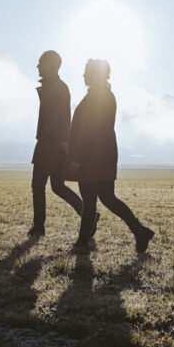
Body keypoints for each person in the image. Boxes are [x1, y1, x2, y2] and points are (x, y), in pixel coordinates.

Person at [68, 58, 155, 253]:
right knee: (105, 198)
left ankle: (83, 242)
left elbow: (90, 130)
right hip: (101, 154)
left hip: (94, 156)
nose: (84, 75)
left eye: (87, 71)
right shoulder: (102, 95)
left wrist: (77, 158)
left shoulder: (99, 97)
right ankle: (139, 231)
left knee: (93, 199)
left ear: (96, 74)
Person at [29, 50, 83, 237]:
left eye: (40, 62)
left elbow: (60, 119)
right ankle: (89, 215)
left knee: (38, 185)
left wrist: (61, 141)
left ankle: (38, 228)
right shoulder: (58, 87)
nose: (37, 66)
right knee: (57, 186)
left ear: (50, 65)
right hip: (54, 144)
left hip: (48, 145)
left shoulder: (56, 87)